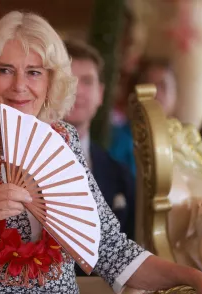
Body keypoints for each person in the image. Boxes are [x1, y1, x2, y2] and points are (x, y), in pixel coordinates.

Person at [0, 11, 202, 294]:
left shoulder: (65, 142)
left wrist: (194, 278)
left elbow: (111, 250)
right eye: (5, 70)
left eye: (34, 72)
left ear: (52, 81)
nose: (19, 86)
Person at [63, 39, 135, 241]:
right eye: (68, 80)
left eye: (87, 81)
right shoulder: (23, 164)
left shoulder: (120, 175)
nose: (77, 91)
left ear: (101, 94)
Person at [109, 58, 177, 177]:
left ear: (175, 95)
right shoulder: (120, 140)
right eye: (149, 86)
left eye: (163, 86)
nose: (156, 93)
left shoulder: (180, 141)